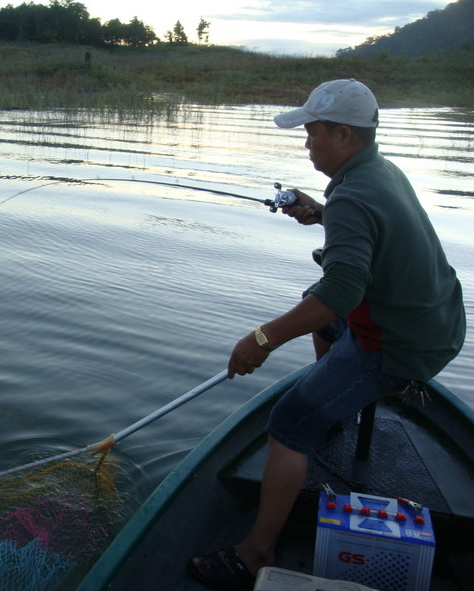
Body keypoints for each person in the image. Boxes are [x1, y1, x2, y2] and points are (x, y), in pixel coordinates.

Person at [189, 79, 466, 589]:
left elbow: (339, 292)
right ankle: (331, 414)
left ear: (343, 134)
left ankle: (255, 553)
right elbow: (369, 240)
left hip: (401, 341)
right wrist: (321, 213)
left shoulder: (355, 194)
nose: (307, 142)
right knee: (312, 314)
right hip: (436, 319)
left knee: (289, 423)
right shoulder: (377, 172)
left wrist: (262, 339)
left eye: (313, 132)